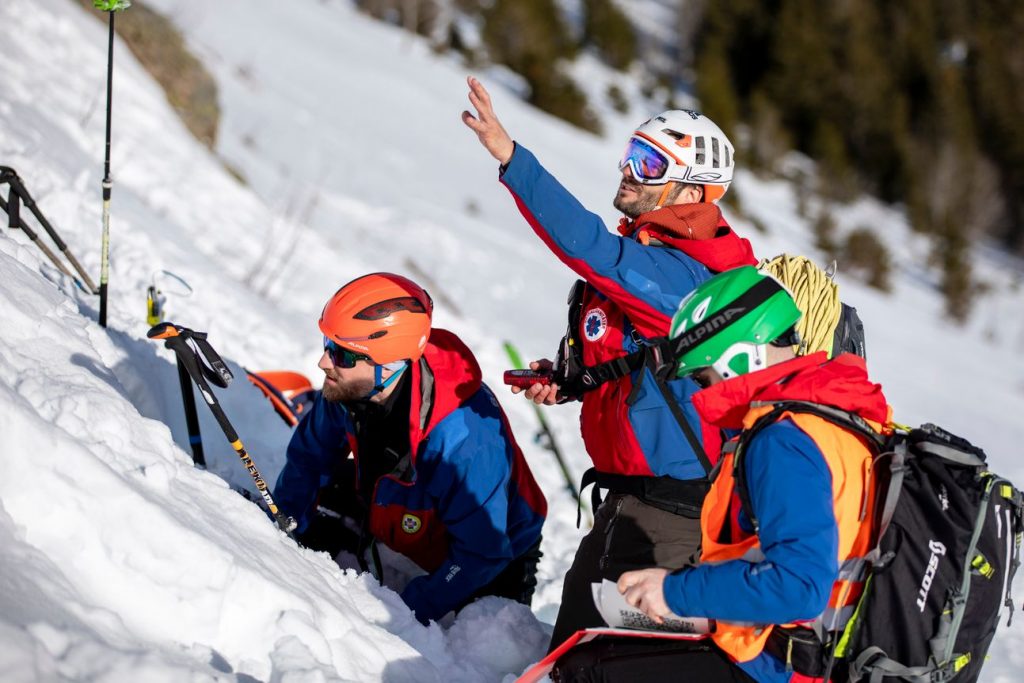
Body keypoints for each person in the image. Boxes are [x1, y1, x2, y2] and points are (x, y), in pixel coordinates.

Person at [462, 76, 758, 649]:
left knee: (606, 664)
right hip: (627, 506)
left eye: (649, 163)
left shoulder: (687, 278)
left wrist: (512, 159)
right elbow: (642, 364)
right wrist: (572, 380)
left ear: (690, 192)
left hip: (668, 527)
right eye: (631, 154)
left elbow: (590, 247)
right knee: (572, 657)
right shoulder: (657, 260)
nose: (628, 169)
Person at [554, 266, 889, 682]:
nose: (701, 392)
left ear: (739, 359)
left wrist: (675, 592)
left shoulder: (783, 440)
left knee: (585, 671)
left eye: (702, 376)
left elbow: (799, 585)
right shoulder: (835, 414)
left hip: (781, 666)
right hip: (806, 651)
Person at [273, 272, 548, 624]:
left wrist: (405, 613)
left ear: (389, 365)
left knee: (479, 637)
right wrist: (287, 522)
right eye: (328, 346)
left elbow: (483, 552)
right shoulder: (350, 388)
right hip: (404, 505)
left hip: (493, 551)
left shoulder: (462, 440)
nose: (324, 363)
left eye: (342, 354)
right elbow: (308, 456)